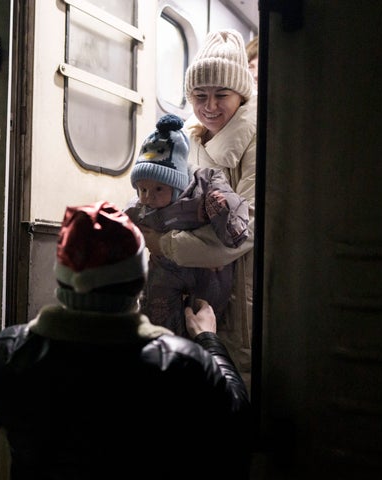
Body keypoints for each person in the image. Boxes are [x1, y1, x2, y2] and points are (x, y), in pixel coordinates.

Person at [0, 201, 251, 480]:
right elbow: (237, 418)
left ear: (63, 280)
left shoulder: (4, 355)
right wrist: (208, 339)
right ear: (139, 281)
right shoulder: (182, 365)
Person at [140, 29, 257, 390]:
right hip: (187, 280)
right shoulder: (182, 139)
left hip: (238, 283)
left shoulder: (259, 139)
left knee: (233, 376)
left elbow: (247, 227)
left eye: (221, 94)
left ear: (241, 93)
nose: (209, 106)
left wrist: (164, 245)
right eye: (199, 95)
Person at [124, 113, 249, 337]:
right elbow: (124, 226)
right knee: (158, 312)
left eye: (159, 189)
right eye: (142, 190)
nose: (148, 197)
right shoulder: (140, 208)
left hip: (207, 269)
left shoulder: (204, 187)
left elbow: (236, 208)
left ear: (178, 184)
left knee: (207, 313)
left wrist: (223, 217)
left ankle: (203, 347)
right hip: (166, 268)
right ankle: (165, 346)